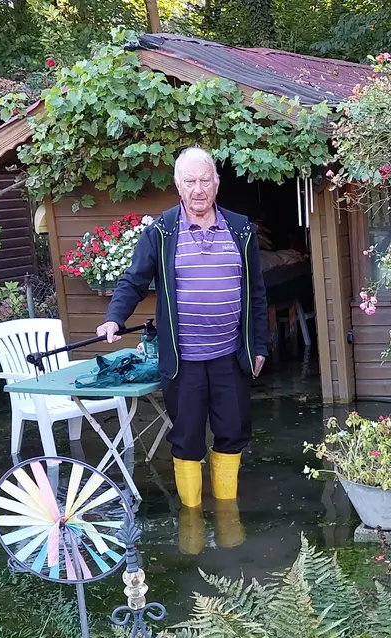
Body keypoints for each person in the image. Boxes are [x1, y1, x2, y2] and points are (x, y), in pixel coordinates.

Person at [100, 147, 268, 523]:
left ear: (217, 184)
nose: (198, 189)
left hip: (231, 356)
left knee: (232, 433)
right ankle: (191, 522)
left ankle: (227, 518)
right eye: (189, 181)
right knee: (188, 439)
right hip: (183, 360)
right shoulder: (161, 231)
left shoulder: (240, 230)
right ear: (178, 185)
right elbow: (134, 280)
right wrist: (114, 317)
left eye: (204, 180)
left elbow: (257, 293)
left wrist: (259, 345)